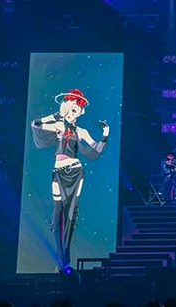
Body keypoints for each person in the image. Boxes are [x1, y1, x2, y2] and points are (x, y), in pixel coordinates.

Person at [30, 88, 109, 272]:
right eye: (69, 109)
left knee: (71, 211)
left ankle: (64, 259)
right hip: (58, 171)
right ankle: (62, 258)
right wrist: (53, 116)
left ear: (80, 112)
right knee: (58, 211)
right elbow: (35, 124)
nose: (72, 113)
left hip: (75, 171)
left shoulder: (81, 131)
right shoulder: (59, 125)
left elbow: (96, 149)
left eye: (75, 110)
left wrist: (105, 133)